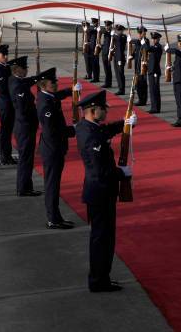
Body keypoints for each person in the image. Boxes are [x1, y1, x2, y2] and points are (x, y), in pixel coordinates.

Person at [75, 90, 136, 292]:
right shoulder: (91, 137)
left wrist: (124, 124)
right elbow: (101, 171)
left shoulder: (88, 127)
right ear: (93, 111)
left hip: (99, 191)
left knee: (103, 238)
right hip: (100, 191)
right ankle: (99, 280)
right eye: (103, 109)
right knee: (102, 239)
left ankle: (101, 277)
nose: (105, 112)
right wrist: (122, 173)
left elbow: (105, 131)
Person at [36, 67, 78, 229]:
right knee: (52, 185)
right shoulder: (46, 105)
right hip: (53, 148)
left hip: (54, 147)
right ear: (43, 85)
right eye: (53, 83)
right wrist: (73, 129)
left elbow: (56, 96)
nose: (56, 84)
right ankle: (53, 219)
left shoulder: (47, 97)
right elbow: (52, 130)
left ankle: (56, 216)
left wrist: (69, 90)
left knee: (54, 183)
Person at [8, 56, 41, 197]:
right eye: (25, 68)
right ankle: (23, 188)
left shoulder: (16, 80)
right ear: (17, 70)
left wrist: (39, 77)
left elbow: (28, 81)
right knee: (25, 159)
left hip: (24, 127)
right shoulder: (17, 86)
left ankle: (27, 186)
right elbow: (22, 109)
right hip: (25, 127)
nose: (27, 70)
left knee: (27, 158)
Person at [0, 44, 16, 165]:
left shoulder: (5, 67)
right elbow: (2, 88)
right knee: (5, 131)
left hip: (9, 103)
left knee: (8, 130)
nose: (6, 57)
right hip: (5, 103)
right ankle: (5, 156)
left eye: (7, 54)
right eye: (3, 55)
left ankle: (7, 154)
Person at [165, 34, 181, 127]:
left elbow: (177, 52)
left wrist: (168, 49)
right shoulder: (180, 52)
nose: (179, 44)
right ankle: (179, 118)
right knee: (178, 101)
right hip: (177, 79)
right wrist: (172, 68)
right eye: (179, 42)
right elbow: (178, 64)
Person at [129, 26, 149, 106]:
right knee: (138, 84)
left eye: (141, 33)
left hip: (142, 67)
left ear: (144, 33)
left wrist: (131, 40)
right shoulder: (139, 41)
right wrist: (131, 56)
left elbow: (146, 48)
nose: (139, 35)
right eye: (139, 33)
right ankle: (141, 99)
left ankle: (143, 100)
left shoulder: (146, 41)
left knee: (142, 84)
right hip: (137, 66)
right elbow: (136, 51)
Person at [146, 32, 163, 114]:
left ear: (158, 39)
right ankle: (154, 107)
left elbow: (148, 49)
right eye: (153, 39)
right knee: (152, 90)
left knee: (155, 90)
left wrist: (143, 42)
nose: (153, 40)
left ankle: (156, 108)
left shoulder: (158, 47)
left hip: (155, 71)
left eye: (155, 39)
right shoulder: (154, 46)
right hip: (151, 71)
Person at [112, 24, 127, 95]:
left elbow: (118, 39)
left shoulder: (123, 37)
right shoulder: (117, 36)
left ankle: (122, 89)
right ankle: (120, 88)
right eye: (116, 30)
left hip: (120, 58)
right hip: (116, 57)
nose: (117, 31)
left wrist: (113, 35)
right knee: (117, 73)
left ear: (121, 31)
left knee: (120, 74)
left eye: (118, 30)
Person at [100, 20, 114, 88]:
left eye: (108, 25)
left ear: (111, 25)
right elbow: (102, 31)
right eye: (106, 25)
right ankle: (107, 82)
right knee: (106, 68)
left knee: (108, 68)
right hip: (104, 52)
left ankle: (108, 83)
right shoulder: (106, 31)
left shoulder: (112, 33)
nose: (106, 27)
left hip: (109, 53)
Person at [88, 18, 100, 82]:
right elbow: (89, 31)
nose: (93, 24)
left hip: (96, 48)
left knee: (96, 64)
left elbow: (99, 31)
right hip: (91, 48)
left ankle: (96, 78)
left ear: (97, 22)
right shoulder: (92, 28)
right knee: (93, 63)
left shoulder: (99, 29)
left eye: (94, 22)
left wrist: (97, 29)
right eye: (93, 23)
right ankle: (94, 77)